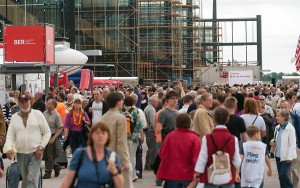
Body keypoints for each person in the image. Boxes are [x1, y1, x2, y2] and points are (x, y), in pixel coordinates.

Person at [4, 95, 51, 188]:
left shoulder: (37, 114)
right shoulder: (14, 117)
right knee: (26, 181)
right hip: (21, 154)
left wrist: (41, 147)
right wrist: (9, 148)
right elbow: (10, 135)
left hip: (36, 153)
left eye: (26, 101)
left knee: (32, 180)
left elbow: (47, 132)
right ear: (18, 103)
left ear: (30, 102)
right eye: (22, 102)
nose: (24, 104)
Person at [61, 121, 124, 188]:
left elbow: (120, 185)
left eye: (103, 133)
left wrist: (114, 171)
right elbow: (67, 181)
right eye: (97, 133)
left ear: (108, 136)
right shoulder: (80, 154)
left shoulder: (112, 156)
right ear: (91, 135)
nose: (100, 136)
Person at [191, 107, 241, 188]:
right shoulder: (233, 138)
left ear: (214, 119)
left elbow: (202, 159)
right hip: (228, 176)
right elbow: (237, 161)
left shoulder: (207, 138)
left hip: (211, 176)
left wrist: (197, 174)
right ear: (227, 120)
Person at [156, 113, 201, 187]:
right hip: (188, 175)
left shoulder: (170, 136)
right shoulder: (194, 138)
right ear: (189, 123)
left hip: (171, 175)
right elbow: (197, 158)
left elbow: (162, 153)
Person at [101, 92, 133, 188]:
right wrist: (125, 162)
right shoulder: (120, 118)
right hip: (116, 158)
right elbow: (121, 141)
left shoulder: (103, 117)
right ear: (118, 102)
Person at [271, 109, 297, 188]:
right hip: (278, 155)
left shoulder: (290, 128)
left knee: (283, 174)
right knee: (280, 177)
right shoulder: (277, 127)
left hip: (286, 157)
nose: (276, 117)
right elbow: (275, 138)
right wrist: (272, 141)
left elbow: (292, 144)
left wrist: (289, 157)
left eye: (278, 116)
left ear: (284, 118)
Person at [42, 98, 64, 179]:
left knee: (50, 155)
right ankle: (56, 166)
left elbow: (60, 128)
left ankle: (48, 172)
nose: (47, 104)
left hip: (52, 136)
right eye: (47, 103)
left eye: (48, 103)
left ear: (54, 105)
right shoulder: (44, 113)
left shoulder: (56, 115)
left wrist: (54, 138)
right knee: (45, 155)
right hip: (44, 136)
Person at [144, 95, 159, 172]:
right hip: (151, 131)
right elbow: (153, 122)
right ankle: (151, 165)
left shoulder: (148, 108)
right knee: (153, 149)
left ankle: (147, 164)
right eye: (156, 101)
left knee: (150, 149)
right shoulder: (152, 110)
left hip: (148, 131)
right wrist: (156, 130)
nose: (157, 102)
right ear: (151, 101)